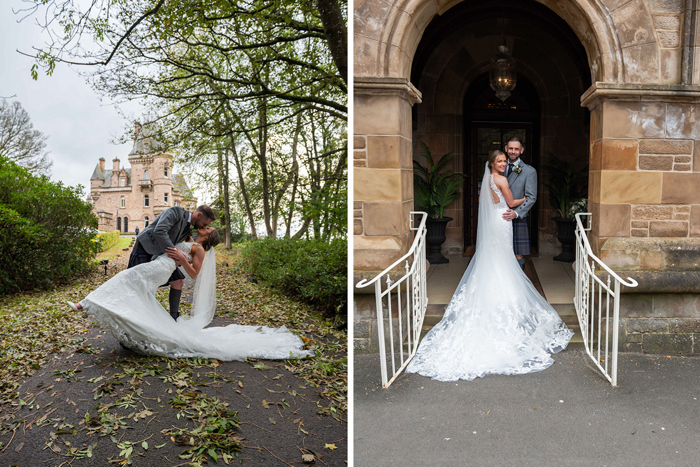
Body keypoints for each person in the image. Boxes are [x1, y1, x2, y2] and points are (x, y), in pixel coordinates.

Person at [405, 150, 572, 382]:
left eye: (505, 160)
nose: (504, 164)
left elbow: (483, 201)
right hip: (503, 219)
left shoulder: (487, 180)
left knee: (494, 258)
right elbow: (512, 202)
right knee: (503, 259)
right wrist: (526, 198)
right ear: (492, 164)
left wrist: (500, 204)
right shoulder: (502, 179)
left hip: (493, 220)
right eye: (500, 161)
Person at [67, 227, 311, 360]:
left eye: (207, 229)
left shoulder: (199, 250)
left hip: (163, 268)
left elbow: (193, 274)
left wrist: (182, 258)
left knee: (124, 278)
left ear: (208, 237)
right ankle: (98, 308)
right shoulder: (190, 238)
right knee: (129, 284)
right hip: (158, 265)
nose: (203, 228)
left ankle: (86, 305)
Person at [129, 205, 214, 321]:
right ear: (198, 215)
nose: (203, 227)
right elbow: (159, 230)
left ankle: (174, 318)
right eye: (204, 224)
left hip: (162, 256)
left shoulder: (188, 229)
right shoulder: (176, 212)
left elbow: (189, 248)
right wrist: (175, 254)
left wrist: (182, 257)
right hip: (145, 248)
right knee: (137, 286)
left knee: (178, 281)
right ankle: (130, 323)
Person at [501, 137, 537, 271]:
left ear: (521, 150)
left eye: (516, 149)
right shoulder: (499, 167)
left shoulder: (529, 171)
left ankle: (519, 284)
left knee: (518, 253)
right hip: (499, 215)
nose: (513, 152)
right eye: (510, 148)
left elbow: (531, 197)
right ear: (506, 149)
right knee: (498, 251)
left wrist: (516, 213)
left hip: (517, 217)